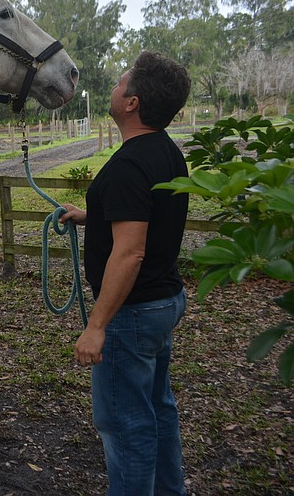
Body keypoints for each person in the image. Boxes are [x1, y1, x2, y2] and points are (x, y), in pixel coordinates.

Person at [59, 51, 192, 496]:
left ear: (132, 102)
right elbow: (143, 214)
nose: (113, 89)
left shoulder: (130, 165)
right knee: (158, 408)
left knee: (125, 424)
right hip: (162, 302)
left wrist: (97, 325)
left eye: (119, 83)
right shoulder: (165, 153)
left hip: (129, 315)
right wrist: (90, 216)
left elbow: (130, 253)